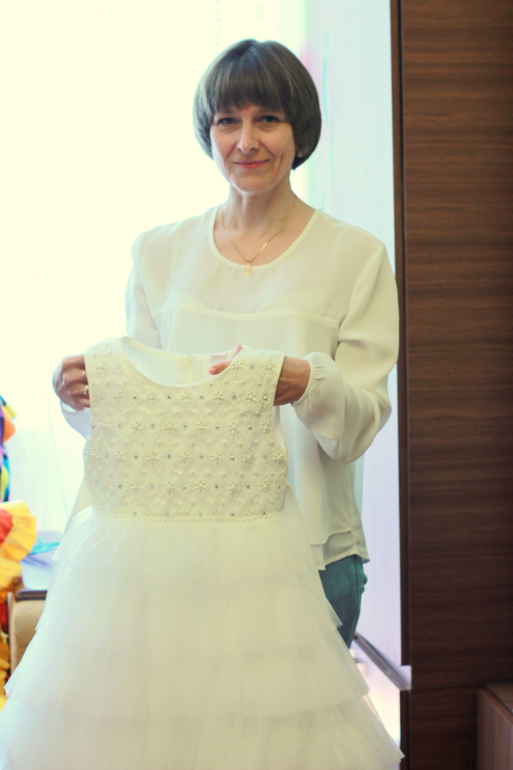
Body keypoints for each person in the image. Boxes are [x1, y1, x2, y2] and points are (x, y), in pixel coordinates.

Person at [53, 38, 399, 650]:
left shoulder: (356, 256)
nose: (246, 141)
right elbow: (141, 418)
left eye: (268, 119)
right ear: (207, 133)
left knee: (298, 719)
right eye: (227, 121)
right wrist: (82, 394)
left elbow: (359, 426)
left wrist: (308, 384)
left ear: (299, 130)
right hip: (179, 550)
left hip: (312, 554)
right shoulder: (159, 253)